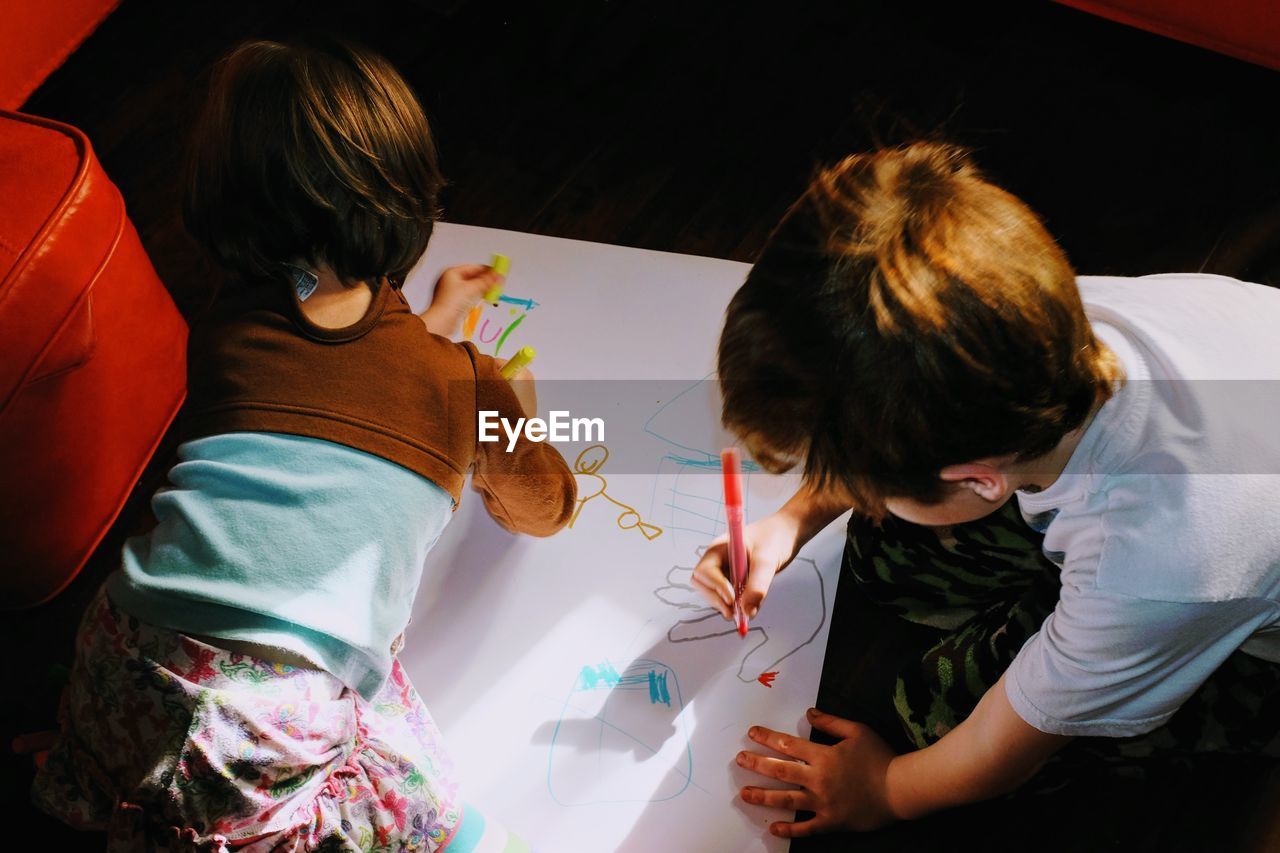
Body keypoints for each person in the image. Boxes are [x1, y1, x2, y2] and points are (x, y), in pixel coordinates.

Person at [31, 38, 575, 851]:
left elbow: (339, 381)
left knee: (173, 759)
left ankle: (113, 777)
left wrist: (431, 328)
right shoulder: (464, 388)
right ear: (409, 200)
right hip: (270, 724)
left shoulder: (225, 327)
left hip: (119, 657)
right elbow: (545, 508)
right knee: (434, 808)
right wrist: (510, 410)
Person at [693, 141, 1280, 838]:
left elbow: (1007, 746)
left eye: (861, 484)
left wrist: (888, 788)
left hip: (1242, 625)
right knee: (884, 560)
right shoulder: (1015, 315)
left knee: (932, 715)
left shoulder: (1155, 569)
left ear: (978, 476)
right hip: (1185, 493)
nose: (848, 493)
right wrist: (792, 521)